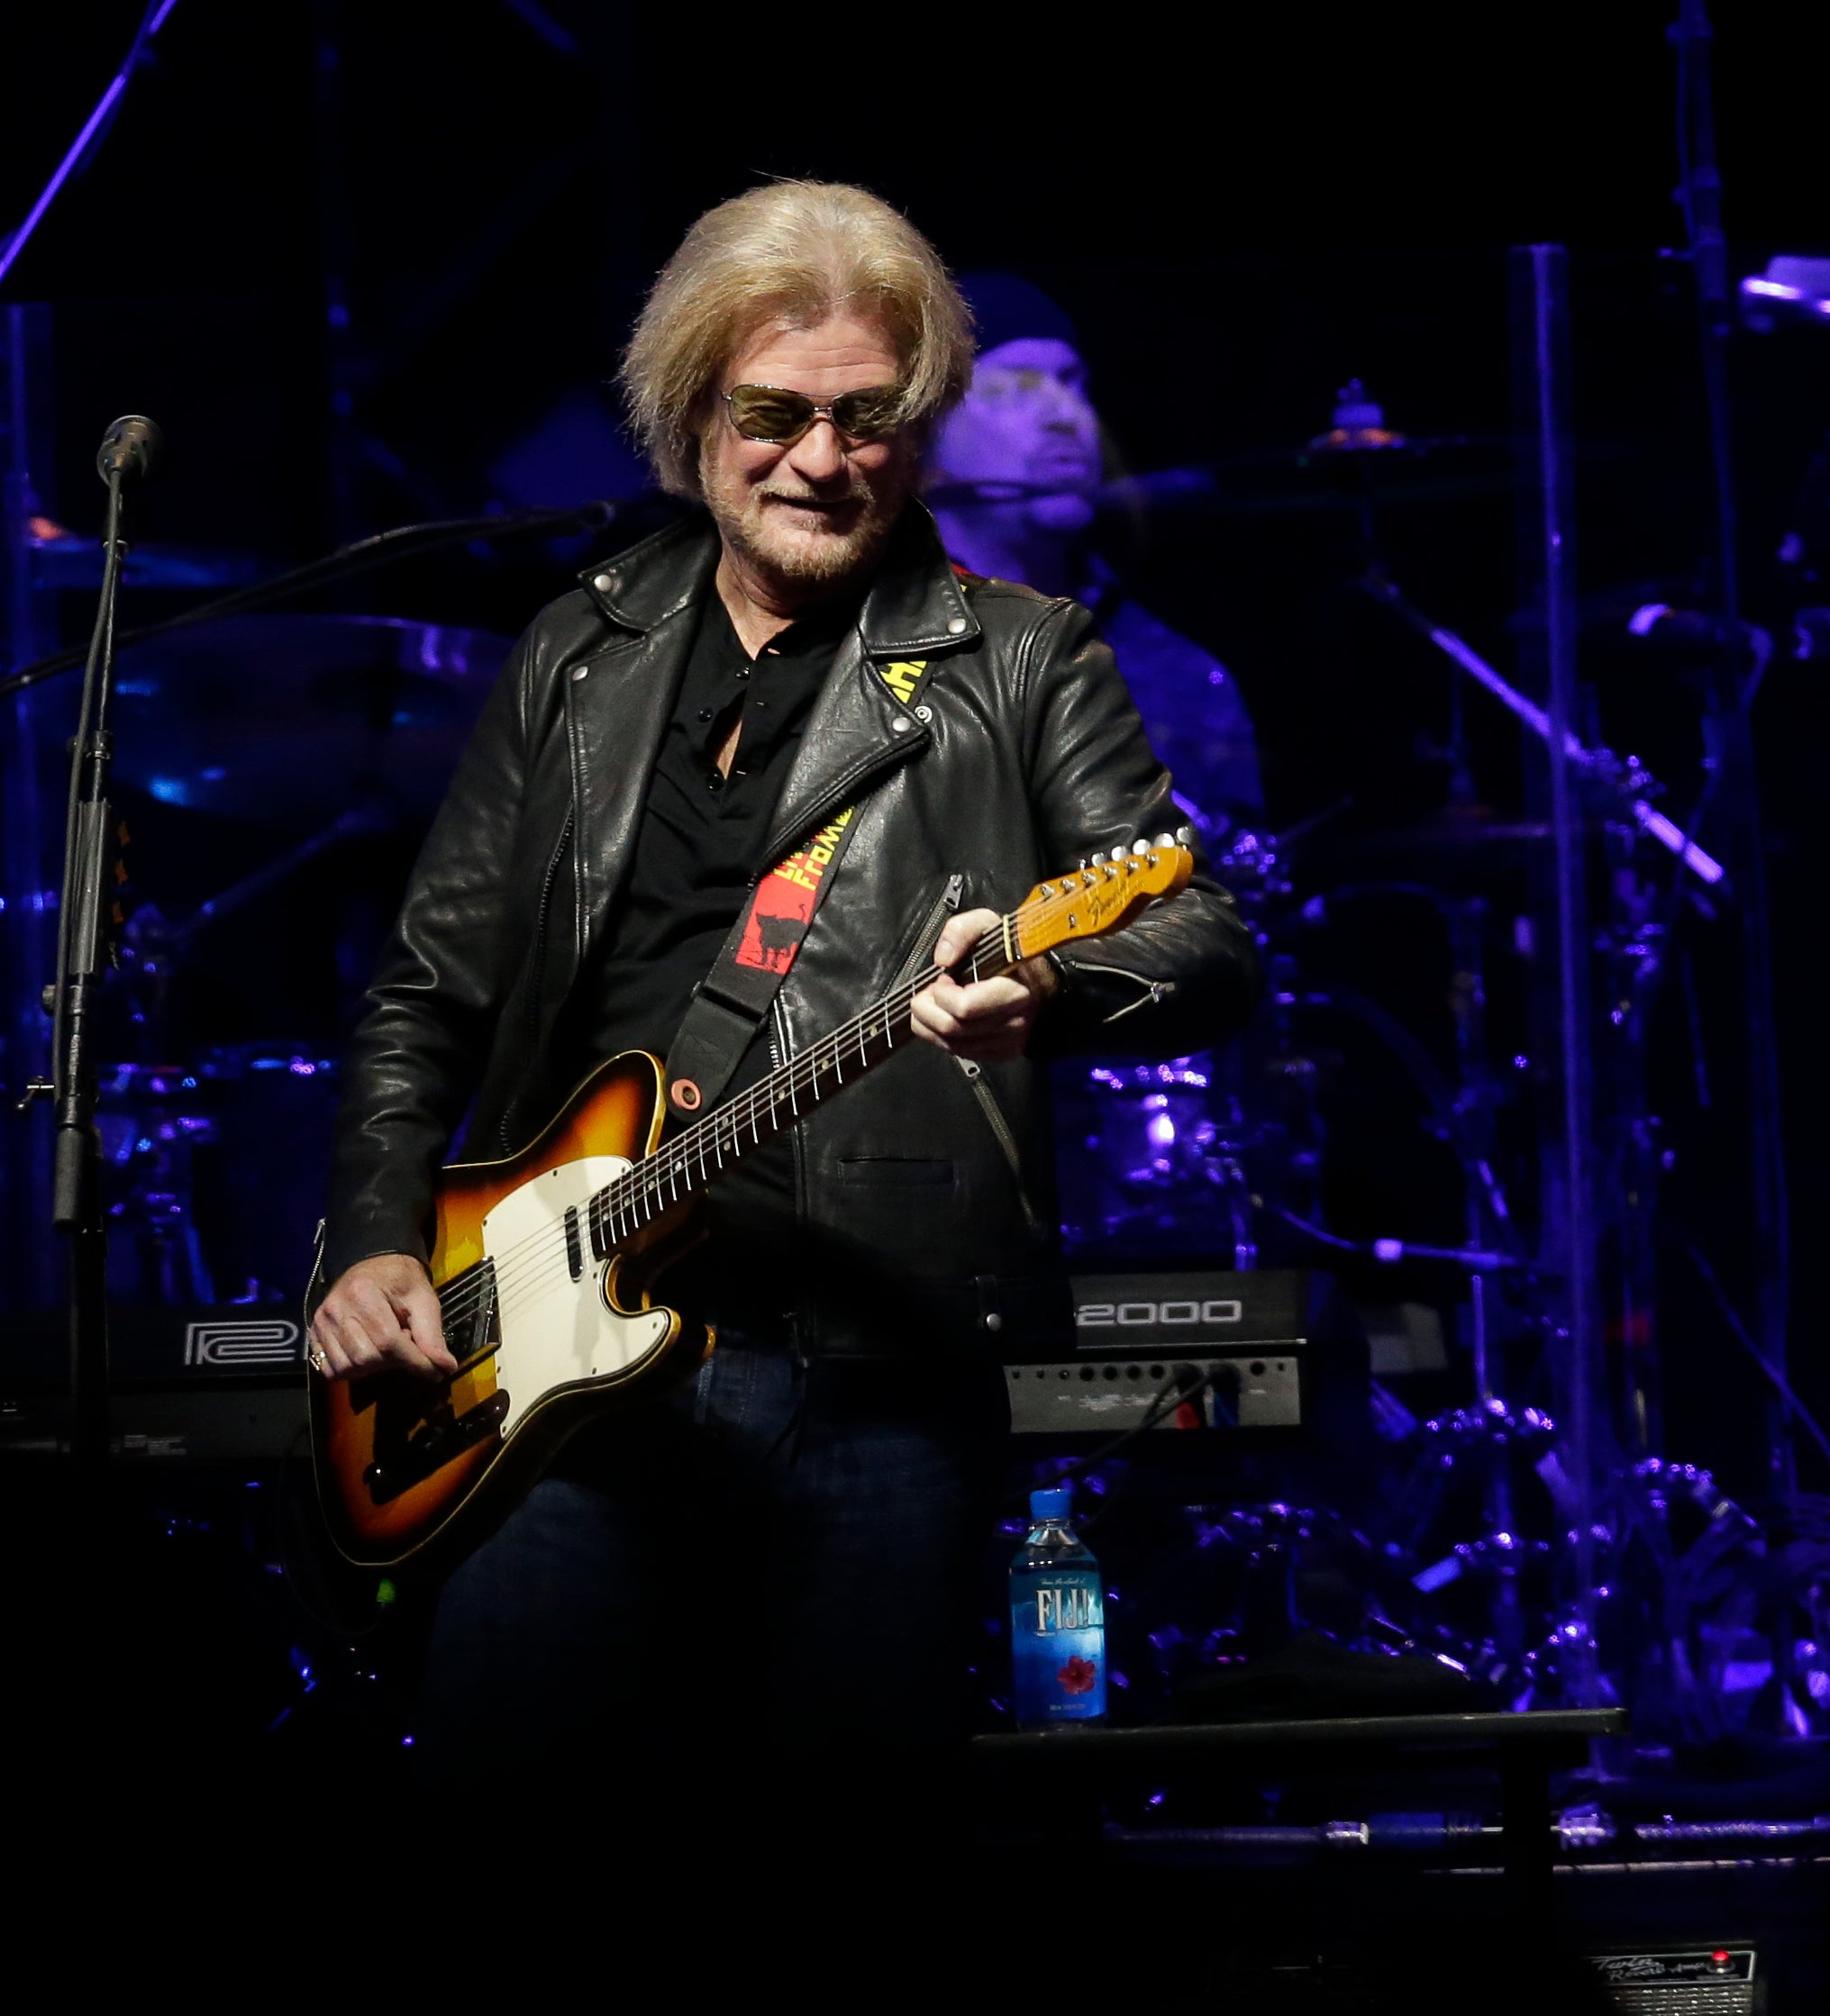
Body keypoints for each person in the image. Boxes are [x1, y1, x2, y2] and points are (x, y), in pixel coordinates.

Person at [302, 181, 1258, 1810]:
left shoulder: (1023, 659)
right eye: (773, 414)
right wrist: (381, 1234)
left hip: (868, 1368)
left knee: (839, 1854)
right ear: (690, 419)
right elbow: (427, 987)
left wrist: (1053, 984)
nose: (821, 458)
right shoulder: (579, 653)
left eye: (865, 417)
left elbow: (1204, 940)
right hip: (549, 1364)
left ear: (919, 431)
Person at [928, 271, 1266, 828]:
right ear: (926, 429)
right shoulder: (856, 642)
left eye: (1074, 383)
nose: (1065, 414)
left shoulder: (1177, 674)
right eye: (1018, 388)